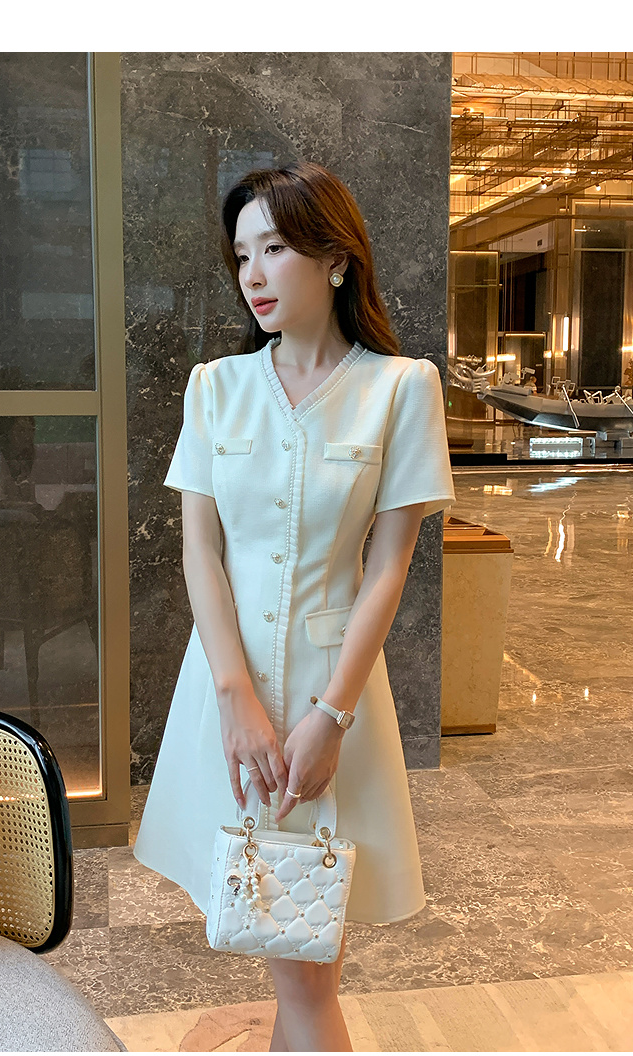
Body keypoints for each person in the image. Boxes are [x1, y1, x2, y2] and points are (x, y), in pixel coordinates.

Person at [133, 161, 456, 1051]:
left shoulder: (401, 387)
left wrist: (332, 716)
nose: (254, 274)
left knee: (305, 963)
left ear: (337, 259)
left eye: (275, 248)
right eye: (242, 255)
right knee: (297, 949)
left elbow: (388, 567)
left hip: (331, 694)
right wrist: (235, 699)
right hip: (226, 690)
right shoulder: (215, 387)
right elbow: (201, 552)